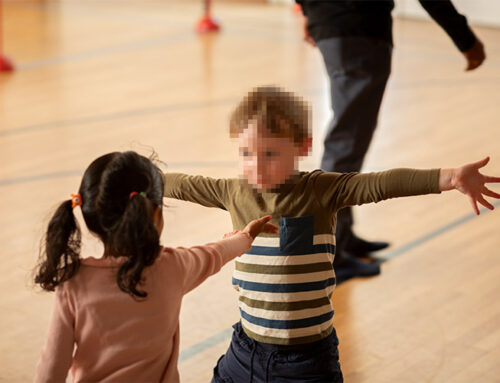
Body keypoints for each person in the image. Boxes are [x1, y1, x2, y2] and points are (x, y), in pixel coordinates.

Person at [162, 86, 499, 383]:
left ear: (302, 146)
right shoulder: (233, 192)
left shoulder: (322, 189)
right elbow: (184, 185)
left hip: (307, 361)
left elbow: (380, 184)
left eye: (269, 154)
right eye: (246, 154)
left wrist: (450, 176)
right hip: (246, 350)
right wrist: (139, 176)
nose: (256, 167)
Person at [33, 150, 278, 383]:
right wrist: (246, 236)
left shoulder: (73, 284)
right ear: (155, 214)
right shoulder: (172, 267)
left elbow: (51, 369)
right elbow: (215, 253)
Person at [295, 0, 487, 282]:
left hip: (332, 23)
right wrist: (464, 37)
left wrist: (307, 10)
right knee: (346, 143)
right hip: (359, 27)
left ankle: (342, 237)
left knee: (350, 139)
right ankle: (328, 254)